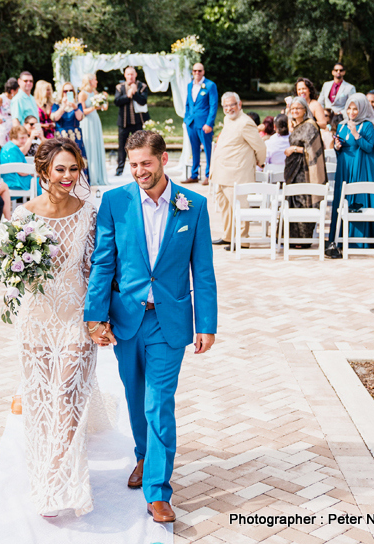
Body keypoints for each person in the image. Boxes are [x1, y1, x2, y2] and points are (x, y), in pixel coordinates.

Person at [84, 130, 217, 524]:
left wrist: (206, 323)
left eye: (146, 162)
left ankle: (158, 491)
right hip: (127, 317)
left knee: (160, 402)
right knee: (135, 394)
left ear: (163, 160)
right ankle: (143, 455)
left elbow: (204, 270)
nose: (139, 171)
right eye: (133, 163)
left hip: (170, 320)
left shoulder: (193, 205)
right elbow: (103, 262)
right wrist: (95, 315)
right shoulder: (114, 202)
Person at [12, 137, 100, 517]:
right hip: (36, 319)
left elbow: (94, 269)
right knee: (41, 400)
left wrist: (98, 318)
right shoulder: (23, 216)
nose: (67, 176)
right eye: (60, 169)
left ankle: (55, 477)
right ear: (44, 171)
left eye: (73, 168)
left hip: (76, 318)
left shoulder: (89, 212)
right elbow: (11, 274)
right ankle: (46, 464)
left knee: (65, 396)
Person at [209, 92, 266, 247]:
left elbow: (259, 146)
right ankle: (228, 236)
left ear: (239, 104)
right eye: (226, 106)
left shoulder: (245, 122)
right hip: (222, 172)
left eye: (232, 104)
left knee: (239, 206)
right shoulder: (228, 119)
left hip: (237, 173)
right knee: (225, 207)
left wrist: (260, 162)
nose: (229, 108)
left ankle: (243, 240)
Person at [328, 93, 374, 256]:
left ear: (362, 109)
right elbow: (340, 148)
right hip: (344, 168)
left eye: (355, 108)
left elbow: (369, 148)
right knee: (342, 201)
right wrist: (336, 146)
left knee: (358, 201)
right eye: (349, 108)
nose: (351, 112)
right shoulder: (342, 125)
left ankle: (360, 241)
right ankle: (338, 239)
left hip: (359, 168)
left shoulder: (367, 126)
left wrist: (356, 134)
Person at [283, 97, 328, 248]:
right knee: (293, 202)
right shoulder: (298, 125)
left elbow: (313, 150)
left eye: (298, 108)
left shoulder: (310, 126)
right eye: (292, 109)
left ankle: (303, 239)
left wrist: (293, 149)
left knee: (303, 202)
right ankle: (293, 238)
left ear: (305, 110)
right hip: (294, 169)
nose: (294, 111)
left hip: (305, 171)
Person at [182, 63, 218, 185]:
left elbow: (213, 105)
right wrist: (186, 119)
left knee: (208, 150)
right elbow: (188, 103)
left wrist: (209, 123)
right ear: (192, 72)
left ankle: (209, 175)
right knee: (194, 149)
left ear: (203, 72)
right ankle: (194, 174)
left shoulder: (210, 85)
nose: (197, 73)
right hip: (191, 122)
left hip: (204, 124)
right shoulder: (189, 85)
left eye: (199, 71)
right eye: (195, 71)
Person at [114, 66, 149, 176]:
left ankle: (141, 168)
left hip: (137, 122)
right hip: (123, 122)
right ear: (125, 75)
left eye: (132, 74)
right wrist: (128, 96)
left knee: (139, 145)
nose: (130, 77)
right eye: (128, 74)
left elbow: (143, 101)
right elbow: (117, 101)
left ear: (135, 75)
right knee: (122, 146)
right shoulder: (120, 87)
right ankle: (120, 169)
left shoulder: (142, 86)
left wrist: (135, 93)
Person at [78, 72, 108, 186]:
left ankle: (98, 175)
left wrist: (104, 99)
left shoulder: (95, 92)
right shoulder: (83, 94)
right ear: (90, 81)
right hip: (87, 122)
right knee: (90, 146)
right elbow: (82, 111)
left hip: (95, 120)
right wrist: (95, 107)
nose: (97, 82)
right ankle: (91, 175)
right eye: (95, 80)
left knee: (97, 145)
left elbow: (104, 107)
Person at [51, 82, 87, 163]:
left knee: (76, 159)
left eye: (70, 91)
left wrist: (74, 106)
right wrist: (63, 106)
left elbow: (80, 117)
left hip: (75, 136)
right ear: (62, 92)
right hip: (61, 135)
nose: (68, 93)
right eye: (65, 91)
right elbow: (55, 118)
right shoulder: (56, 105)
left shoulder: (78, 105)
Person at [0, 126, 34, 192]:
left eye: (26, 138)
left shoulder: (9, 146)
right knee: (40, 181)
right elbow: (21, 171)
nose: (24, 140)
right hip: (15, 182)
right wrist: (34, 172)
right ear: (13, 137)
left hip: (12, 180)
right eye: (22, 138)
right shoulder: (12, 149)